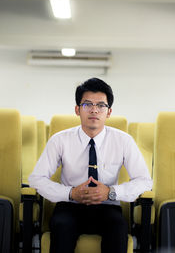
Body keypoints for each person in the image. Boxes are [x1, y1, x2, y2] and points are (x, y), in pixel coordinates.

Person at [29, 77, 152, 253]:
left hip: (107, 206)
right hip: (69, 206)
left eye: (101, 105)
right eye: (87, 104)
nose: (94, 110)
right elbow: (36, 179)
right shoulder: (60, 140)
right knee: (62, 226)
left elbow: (144, 180)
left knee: (118, 227)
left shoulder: (124, 141)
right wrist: (70, 193)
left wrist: (111, 192)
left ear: (109, 112)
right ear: (77, 110)